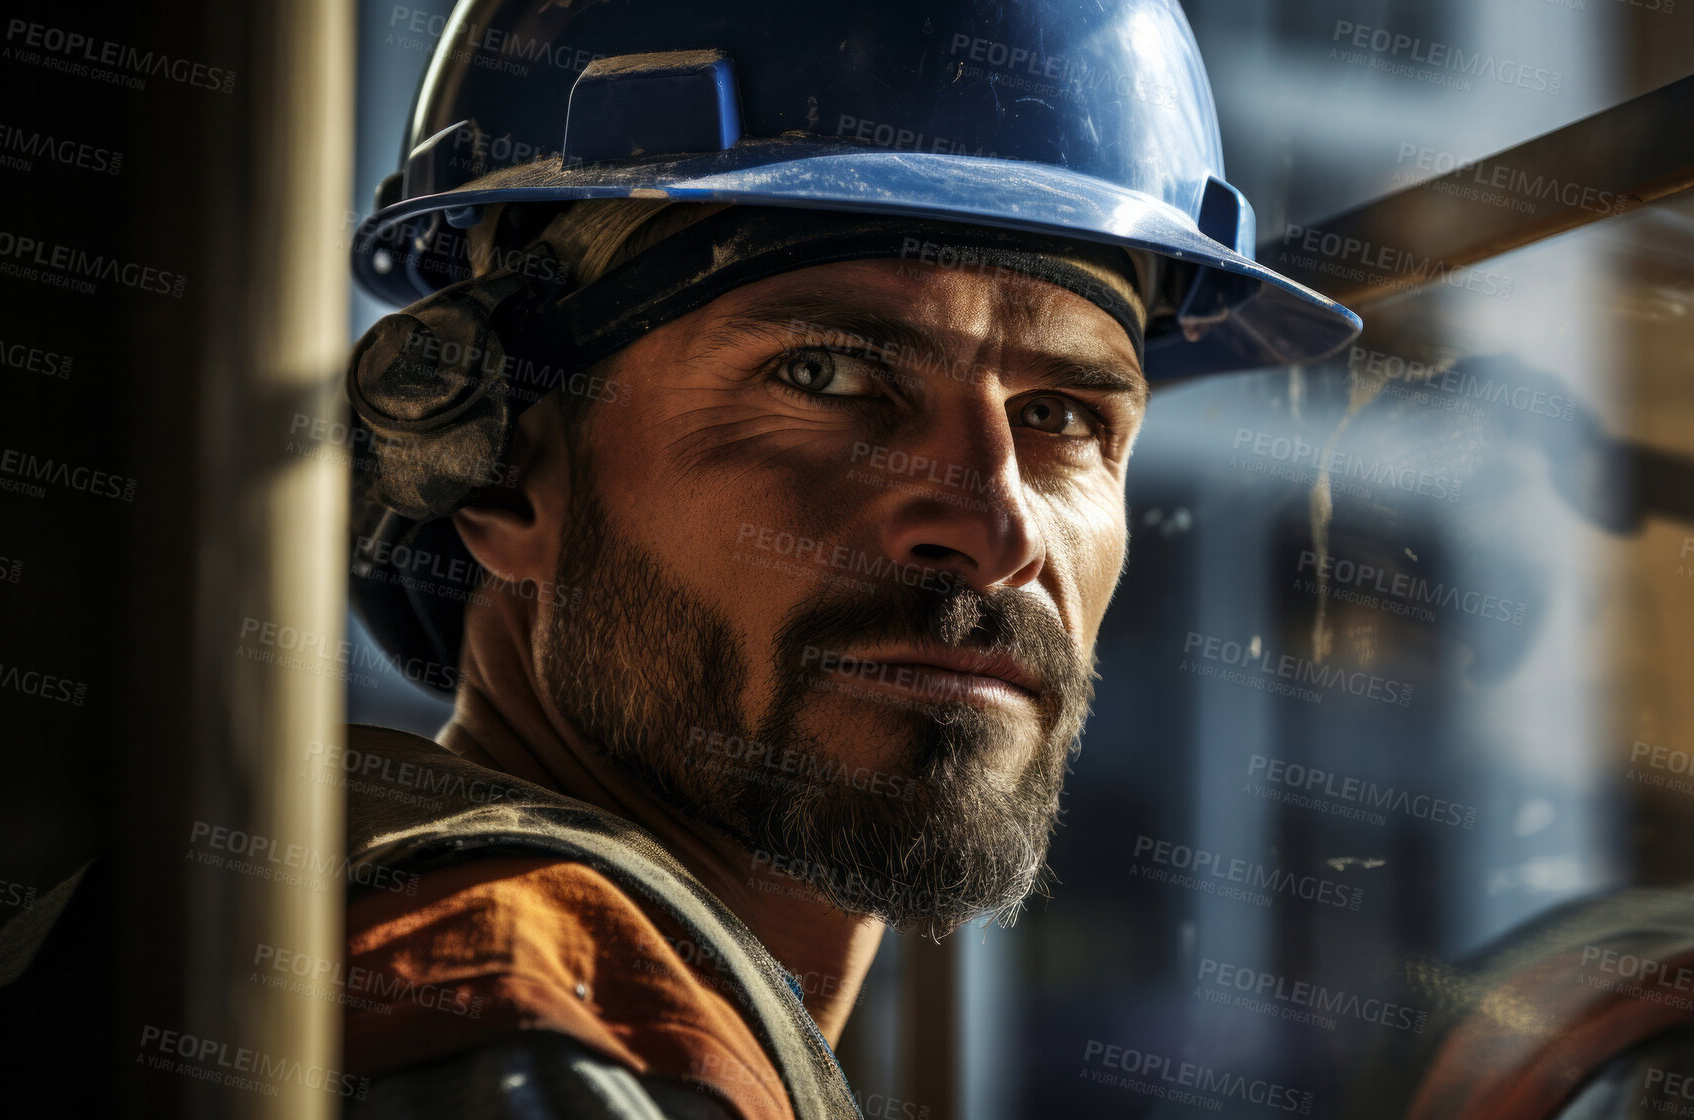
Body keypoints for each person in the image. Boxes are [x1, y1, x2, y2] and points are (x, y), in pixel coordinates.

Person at [334, 1, 1359, 1115]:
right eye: (825, 376)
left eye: (1060, 415)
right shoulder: (525, 999)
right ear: (500, 472)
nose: (997, 532)